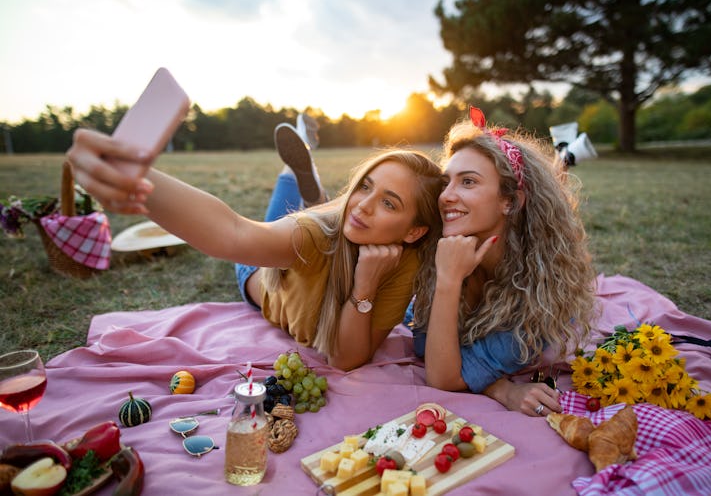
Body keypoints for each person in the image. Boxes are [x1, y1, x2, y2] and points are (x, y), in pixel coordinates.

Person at [65, 121, 443, 371]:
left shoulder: (403, 263)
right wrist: (133, 175)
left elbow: (347, 359)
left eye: (389, 202)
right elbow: (233, 233)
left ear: (413, 233)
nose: (363, 204)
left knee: (310, 216)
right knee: (297, 225)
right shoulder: (312, 237)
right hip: (259, 273)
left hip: (319, 233)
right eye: (365, 185)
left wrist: (366, 285)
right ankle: (299, 179)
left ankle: (306, 183)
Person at [408, 106, 598, 416]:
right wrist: (499, 387)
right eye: (446, 183)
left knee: (555, 182)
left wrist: (449, 281)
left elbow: (442, 376)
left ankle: (563, 158)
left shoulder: (541, 290)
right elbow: (423, 343)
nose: (446, 196)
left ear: (509, 201)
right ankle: (563, 157)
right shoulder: (442, 248)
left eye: (467, 182)